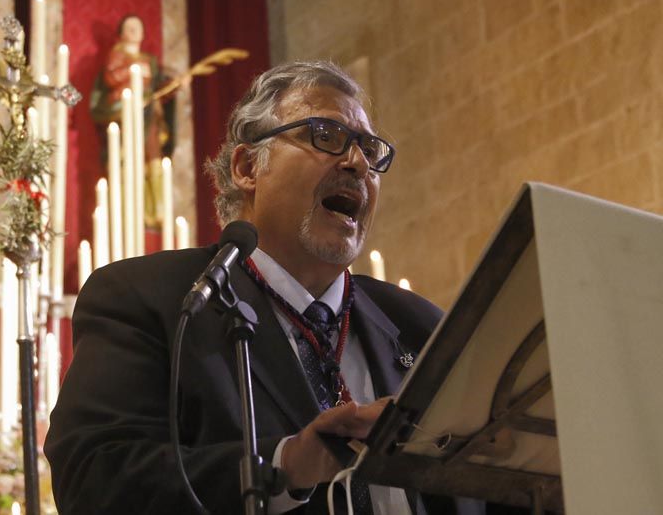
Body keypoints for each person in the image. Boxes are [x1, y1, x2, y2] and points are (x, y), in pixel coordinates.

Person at [46, 61, 484, 514]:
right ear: (247, 166)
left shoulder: (423, 327)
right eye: (326, 136)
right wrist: (283, 467)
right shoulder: (153, 299)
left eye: (370, 151)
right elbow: (94, 477)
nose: (357, 163)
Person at [89, 14, 176, 226]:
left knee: (153, 158)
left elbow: (157, 88)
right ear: (121, 34)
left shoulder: (150, 61)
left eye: (138, 26)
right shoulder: (117, 55)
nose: (135, 31)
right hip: (124, 114)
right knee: (126, 159)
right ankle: (126, 209)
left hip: (149, 116)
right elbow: (111, 77)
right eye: (130, 27)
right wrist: (132, 70)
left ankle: (155, 210)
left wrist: (175, 84)